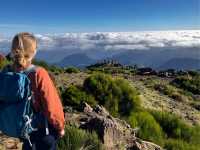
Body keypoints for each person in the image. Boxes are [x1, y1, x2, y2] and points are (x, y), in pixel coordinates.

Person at [3, 32, 65, 150]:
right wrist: (60, 127)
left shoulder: (6, 72)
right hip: (42, 131)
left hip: (22, 130)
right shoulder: (38, 73)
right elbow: (52, 105)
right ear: (33, 52)